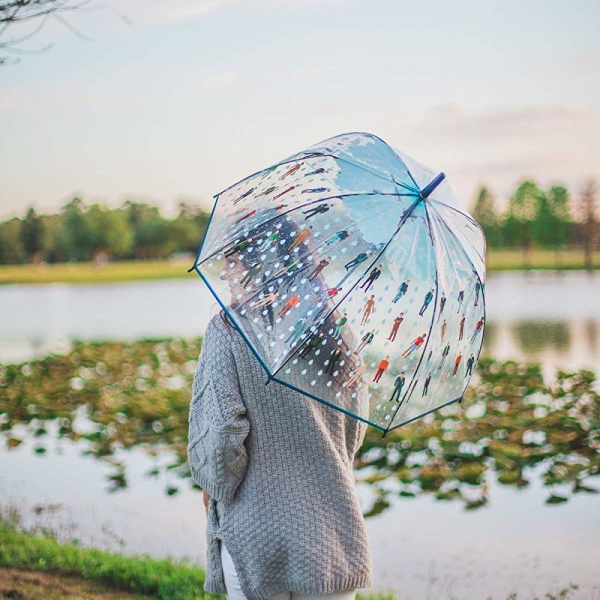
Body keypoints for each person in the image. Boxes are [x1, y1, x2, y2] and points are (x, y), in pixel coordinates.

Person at [188, 310, 372, 600]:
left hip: (255, 524)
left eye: (232, 263)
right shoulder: (338, 328)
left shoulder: (229, 328)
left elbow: (224, 432)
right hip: (333, 528)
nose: (226, 273)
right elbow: (356, 424)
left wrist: (215, 488)